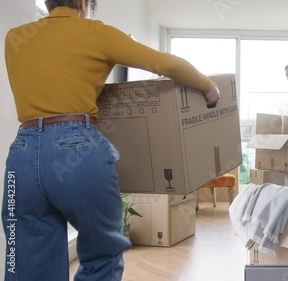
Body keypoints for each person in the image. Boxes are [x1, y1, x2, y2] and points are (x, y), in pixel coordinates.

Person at [2, 0, 220, 280]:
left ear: (47, 2)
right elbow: (166, 63)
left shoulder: (14, 38)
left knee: (27, 263)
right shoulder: (96, 32)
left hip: (21, 155)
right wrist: (207, 85)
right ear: (83, 3)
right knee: (102, 253)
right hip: (75, 148)